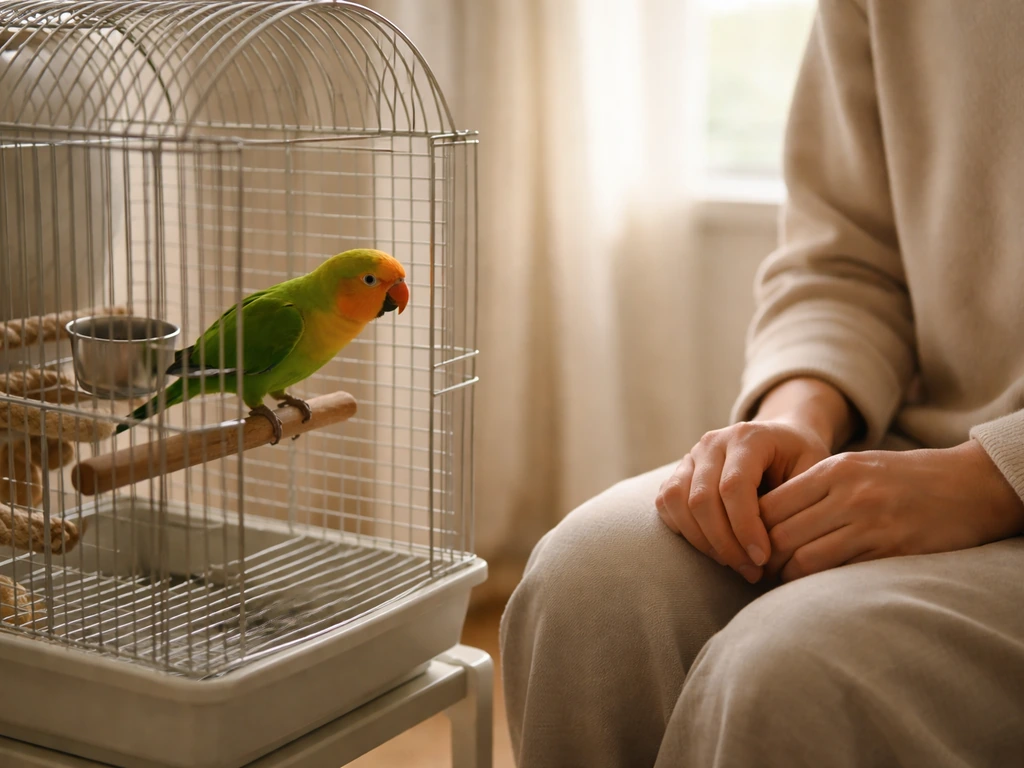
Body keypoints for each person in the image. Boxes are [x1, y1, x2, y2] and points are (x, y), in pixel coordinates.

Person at [499, 2, 1024, 766]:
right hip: (917, 446)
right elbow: (845, 263)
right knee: (586, 590)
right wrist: (801, 417)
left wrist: (993, 479)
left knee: (788, 678)